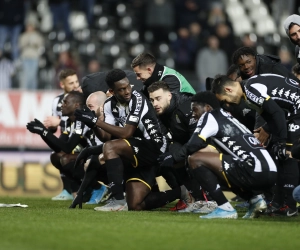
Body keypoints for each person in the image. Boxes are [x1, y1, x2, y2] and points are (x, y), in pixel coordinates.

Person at [74, 69, 190, 211]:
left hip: (155, 146)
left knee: (110, 148)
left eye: (128, 86)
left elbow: (127, 133)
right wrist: (92, 124)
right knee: (135, 204)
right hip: (138, 152)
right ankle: (182, 192)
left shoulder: (137, 99)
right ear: (112, 91)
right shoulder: (109, 104)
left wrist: (96, 122)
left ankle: (117, 200)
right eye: (122, 89)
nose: (127, 91)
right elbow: (106, 137)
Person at [211, 74, 300, 216]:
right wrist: (267, 129)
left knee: (287, 155)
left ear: (228, 89)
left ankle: (290, 206)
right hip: (292, 111)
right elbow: (275, 113)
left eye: (225, 101)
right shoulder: (249, 89)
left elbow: (278, 113)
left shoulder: (250, 90)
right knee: (280, 154)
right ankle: (279, 203)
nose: (227, 104)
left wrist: (283, 142)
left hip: (297, 110)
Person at [186, 91, 277, 219]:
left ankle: (225, 208)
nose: (193, 114)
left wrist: (173, 157)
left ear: (207, 108)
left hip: (254, 171)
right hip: (270, 171)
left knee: (195, 160)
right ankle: (255, 201)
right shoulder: (227, 117)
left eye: (195, 109)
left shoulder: (210, 116)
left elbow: (192, 146)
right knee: (218, 165)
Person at [148, 81, 218, 213]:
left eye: (158, 98)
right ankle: (198, 200)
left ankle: (212, 200)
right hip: (186, 141)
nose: (155, 103)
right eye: (152, 100)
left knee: (194, 157)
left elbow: (198, 140)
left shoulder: (186, 108)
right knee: (171, 159)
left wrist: (177, 155)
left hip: (208, 142)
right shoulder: (161, 111)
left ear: (169, 96)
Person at [27, 91, 89, 200]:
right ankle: (78, 191)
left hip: (98, 157)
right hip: (87, 157)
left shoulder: (82, 119)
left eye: (65, 102)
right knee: (56, 156)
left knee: (66, 158)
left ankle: (97, 187)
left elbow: (68, 147)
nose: (61, 105)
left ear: (76, 105)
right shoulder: (68, 122)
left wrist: (44, 132)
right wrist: (43, 132)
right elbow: (59, 147)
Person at [131, 52, 196, 97]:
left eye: (139, 74)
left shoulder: (170, 79)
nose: (137, 78)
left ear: (149, 70)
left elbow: (170, 105)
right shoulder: (151, 81)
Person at [231, 46, 298, 81]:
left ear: (254, 58)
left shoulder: (270, 67)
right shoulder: (239, 76)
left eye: (249, 62)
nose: (246, 67)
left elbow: (293, 82)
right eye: (241, 65)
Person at [18, 17, 44, 90]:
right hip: (26, 57)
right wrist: (28, 43)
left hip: (34, 57)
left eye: (31, 26)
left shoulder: (37, 36)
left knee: (33, 75)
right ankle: (25, 89)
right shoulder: (23, 36)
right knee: (26, 74)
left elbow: (40, 45)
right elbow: (21, 45)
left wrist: (33, 44)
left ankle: (33, 90)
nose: (29, 28)